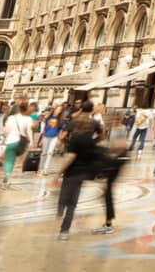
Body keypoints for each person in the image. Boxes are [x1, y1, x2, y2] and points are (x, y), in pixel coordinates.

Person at [56, 102, 104, 240]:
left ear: (81, 108)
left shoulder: (74, 121)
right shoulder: (94, 123)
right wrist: (91, 144)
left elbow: (62, 136)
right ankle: (64, 231)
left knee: (65, 188)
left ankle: (60, 208)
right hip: (85, 162)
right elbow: (102, 136)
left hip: (72, 160)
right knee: (73, 200)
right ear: (91, 110)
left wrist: (67, 143)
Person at [94, 123, 130, 235]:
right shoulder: (115, 129)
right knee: (107, 192)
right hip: (116, 162)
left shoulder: (119, 129)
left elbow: (121, 146)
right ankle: (108, 222)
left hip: (116, 162)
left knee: (108, 192)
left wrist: (110, 154)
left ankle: (108, 224)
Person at [1, 101, 35, 185]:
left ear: (19, 109)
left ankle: (7, 175)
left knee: (9, 160)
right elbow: (29, 130)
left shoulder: (11, 118)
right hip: (21, 142)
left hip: (11, 141)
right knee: (14, 159)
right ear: (26, 109)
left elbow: (6, 130)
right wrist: (31, 141)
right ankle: (8, 175)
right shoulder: (29, 119)